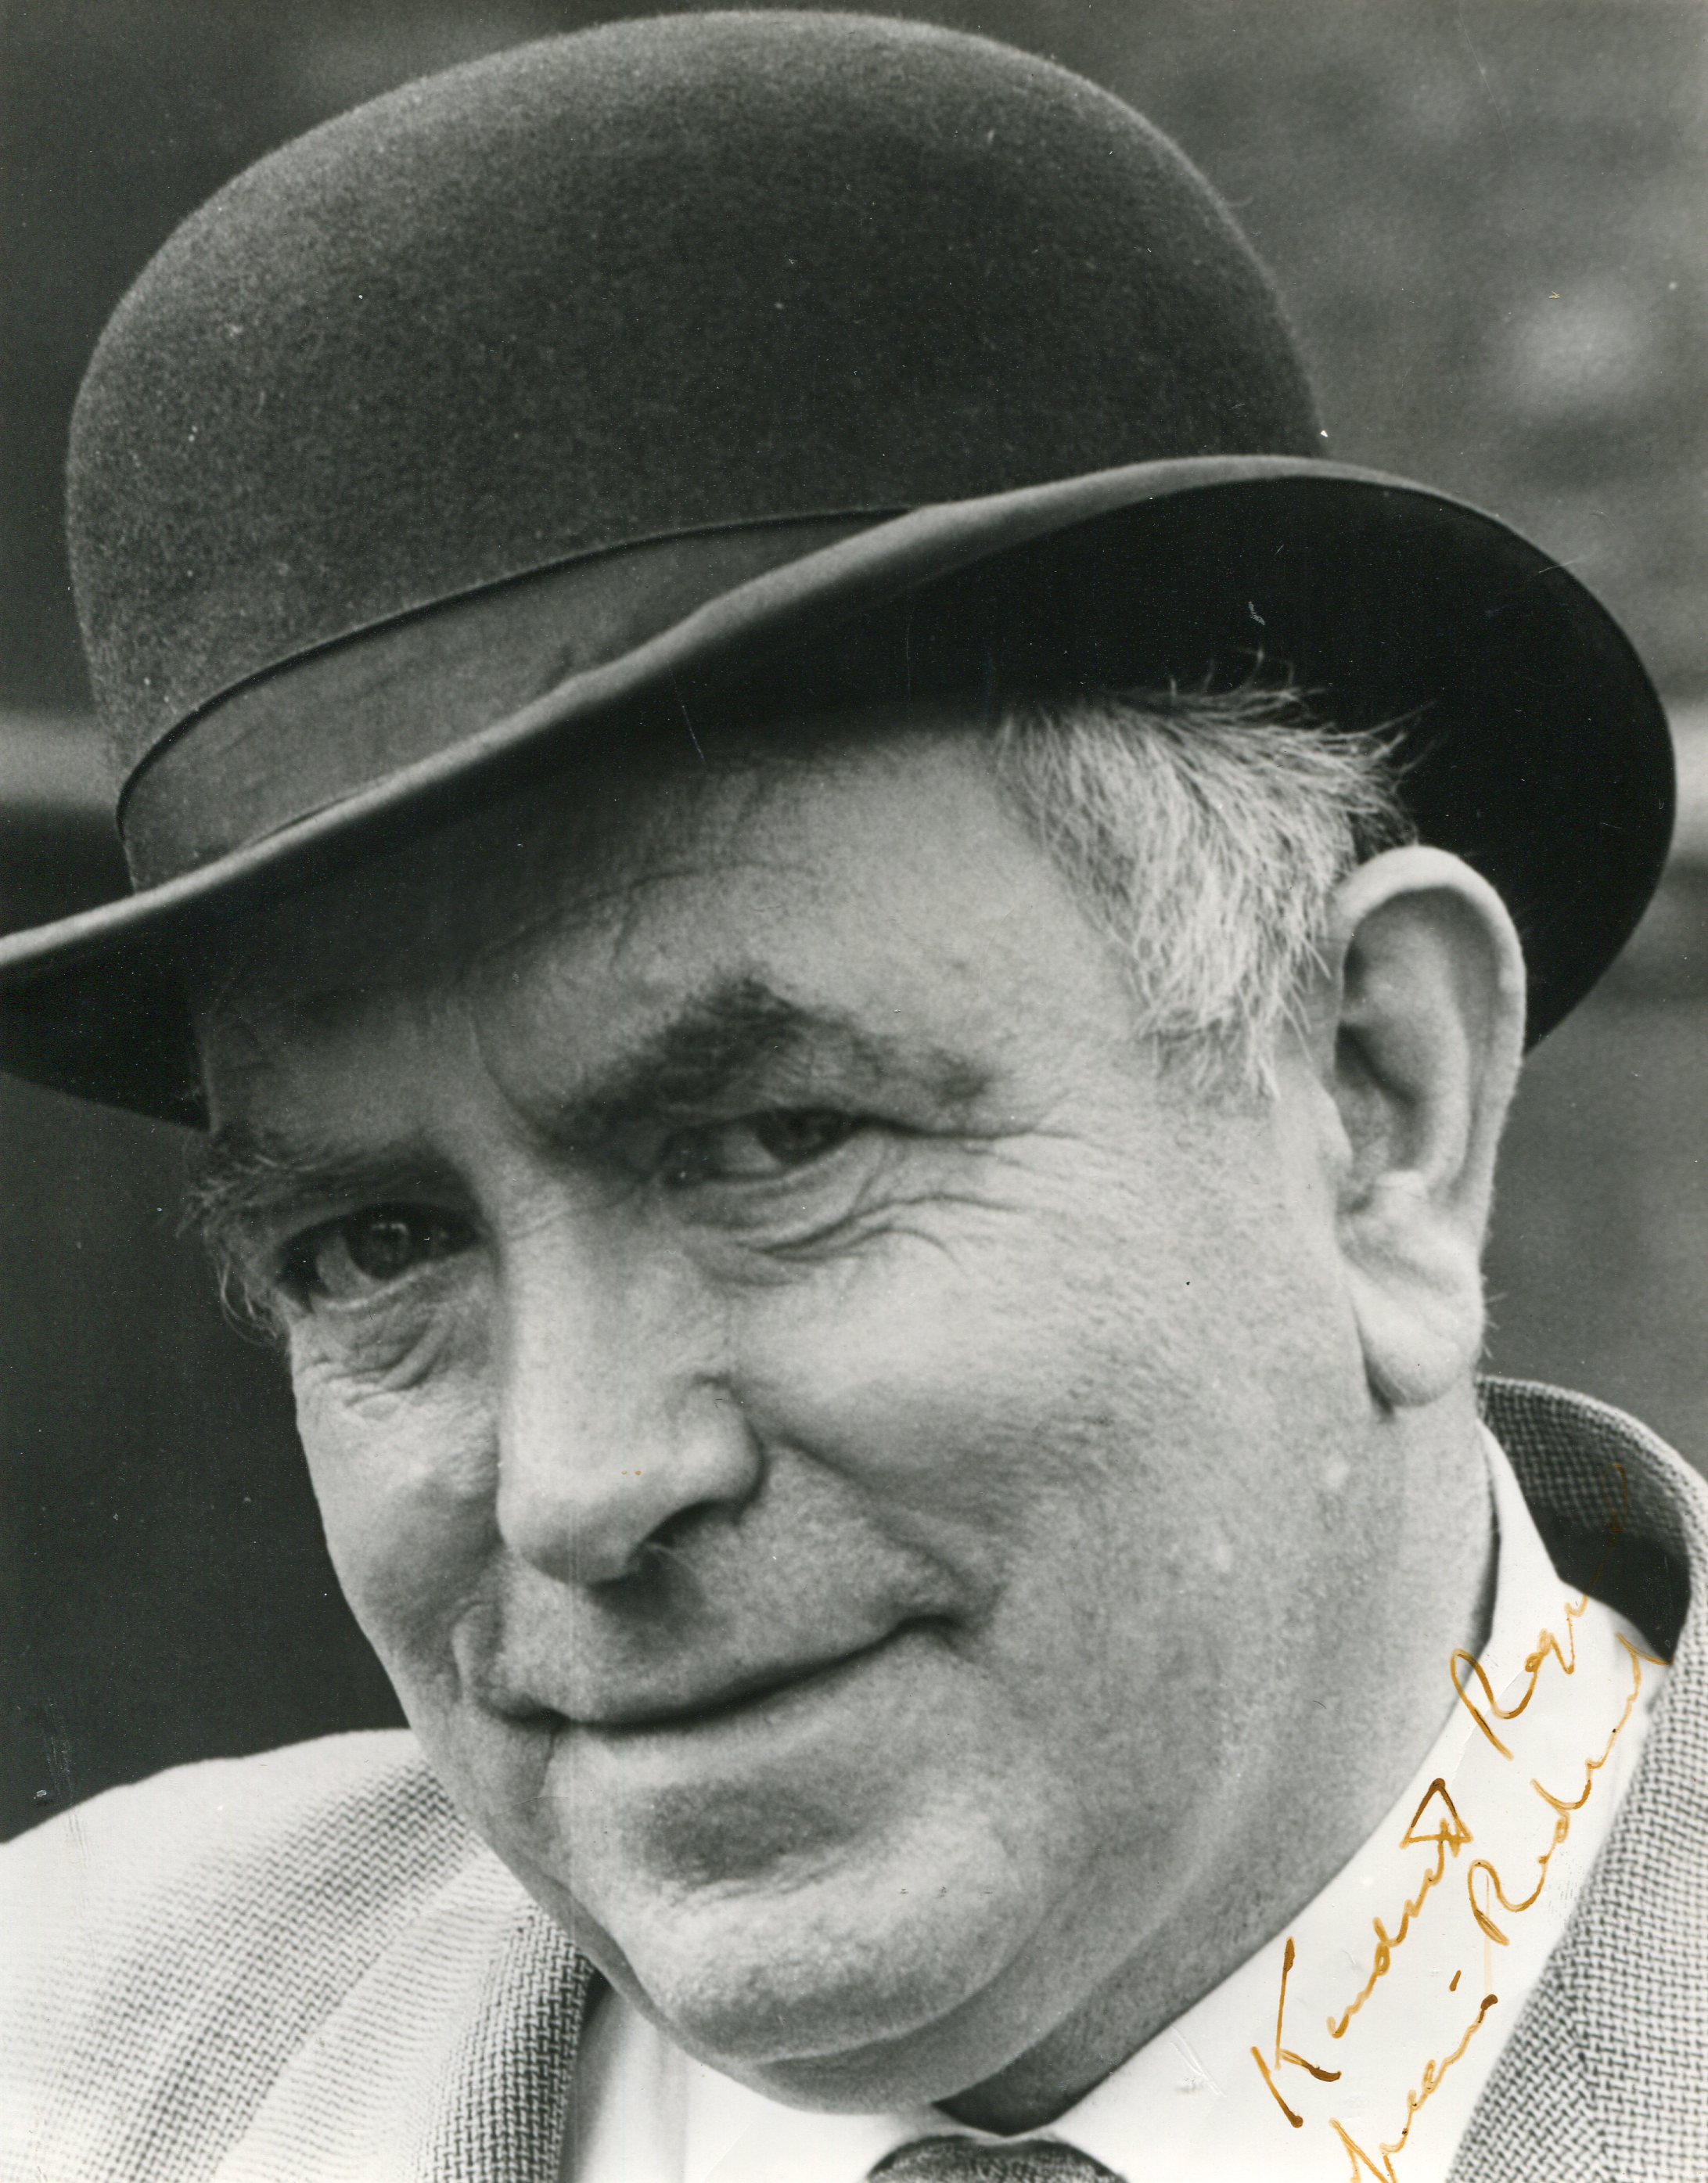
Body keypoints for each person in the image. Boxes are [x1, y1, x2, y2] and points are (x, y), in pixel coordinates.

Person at [0, 14, 1701, 2181]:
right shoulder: (68, 2057)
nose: (579, 1486)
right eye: (379, 1247)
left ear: (1377, 1103)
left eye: (772, 1144)